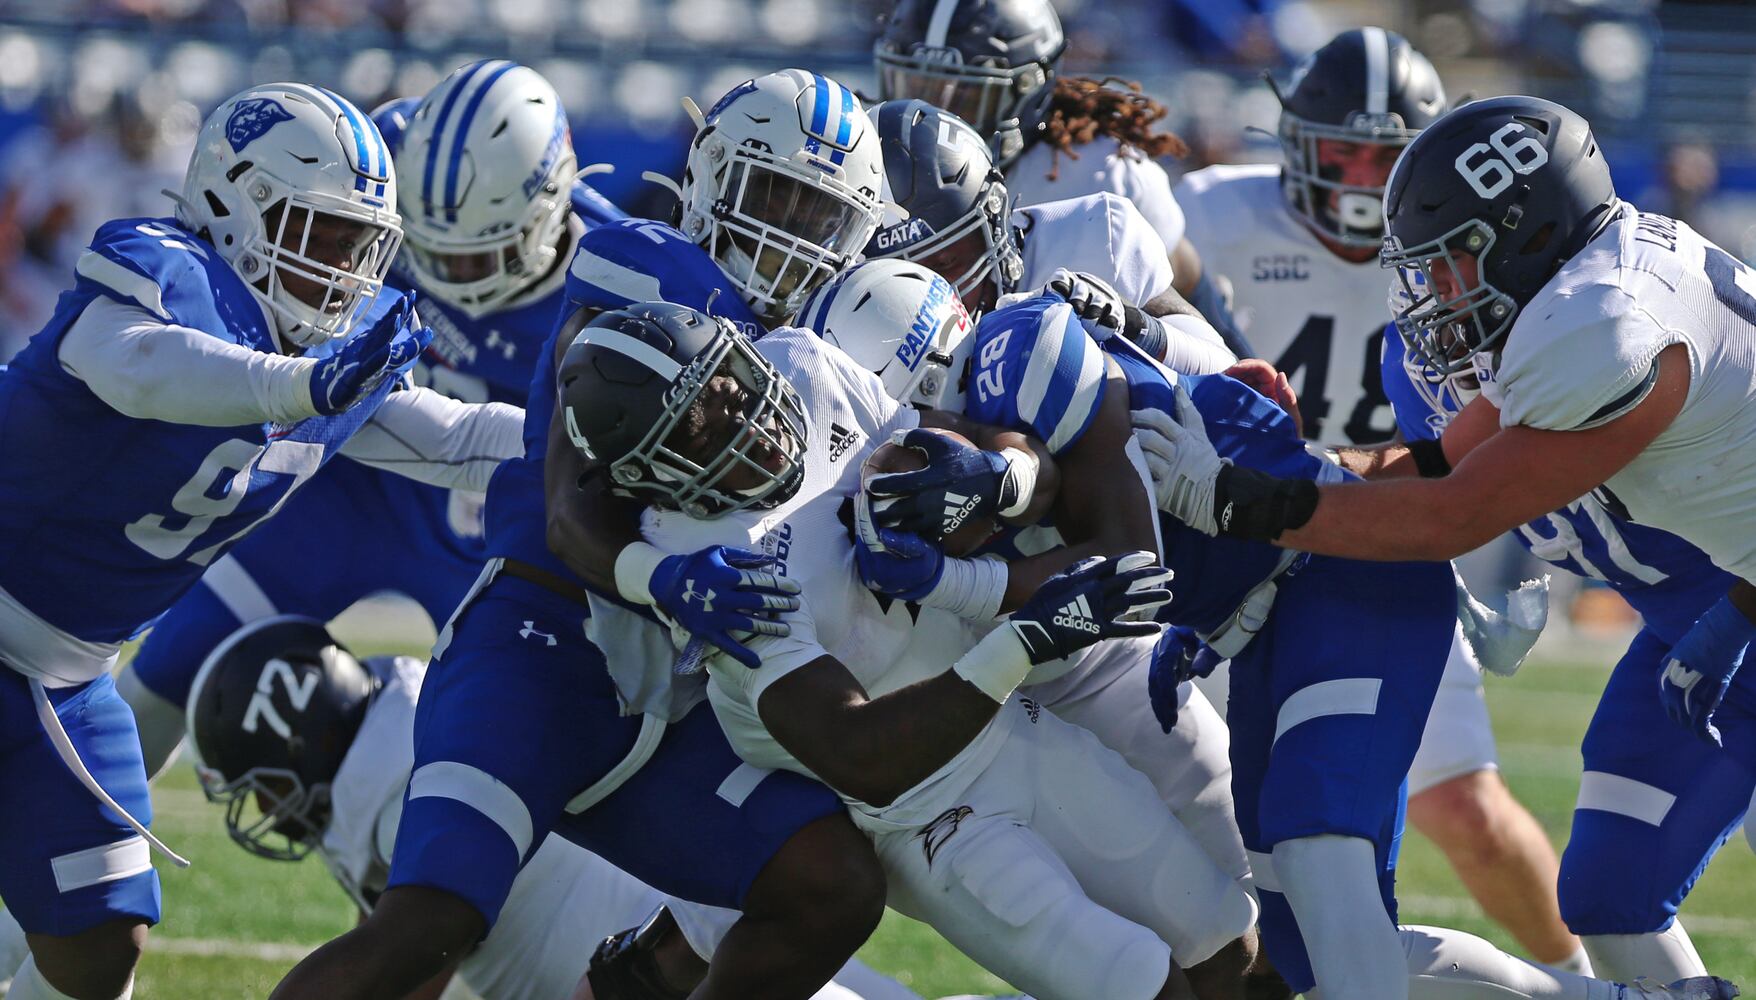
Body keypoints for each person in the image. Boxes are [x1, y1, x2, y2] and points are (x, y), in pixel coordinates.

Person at [838, 275, 1738, 1000]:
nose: (924, 439)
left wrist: (967, 569)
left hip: (1337, 568)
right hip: (1260, 618)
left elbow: (1130, 561)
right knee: (1310, 948)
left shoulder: (1021, 354)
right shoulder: (912, 453)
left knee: (1320, 855)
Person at [271, 70, 894, 1000]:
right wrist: (663, 577)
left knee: (830, 886)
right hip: (542, 649)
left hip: (672, 696)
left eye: (817, 210)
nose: (789, 228)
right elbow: (569, 514)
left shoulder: (829, 334)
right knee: (431, 923)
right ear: (716, 177)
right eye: (773, 192)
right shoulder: (643, 267)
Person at [558, 300, 1260, 1000]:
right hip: (927, 817)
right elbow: (859, 753)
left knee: (1230, 949)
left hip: (1017, 732)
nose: (746, 420)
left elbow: (1015, 457)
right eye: (697, 430)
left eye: (728, 385)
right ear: (650, 474)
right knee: (1143, 987)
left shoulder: (803, 366)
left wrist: (994, 480)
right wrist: (1025, 638)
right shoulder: (706, 563)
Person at [0, 82, 526, 1000]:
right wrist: (300, 387)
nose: (341, 270)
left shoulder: (324, 360)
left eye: (359, 247)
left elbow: (454, 438)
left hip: (66, 668)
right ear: (230, 203)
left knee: (100, 937)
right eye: (317, 234)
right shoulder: (165, 272)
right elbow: (137, 368)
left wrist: (597, 444)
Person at [1148, 94, 1756, 813]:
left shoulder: (1604, 323)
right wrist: (1278, 464)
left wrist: (1229, 506)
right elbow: (1435, 461)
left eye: (1450, 259)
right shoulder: (1592, 280)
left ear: (1528, 236)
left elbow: (1449, 518)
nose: (1432, 288)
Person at [1176, 29, 1581, 970]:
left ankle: (1578, 976)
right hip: (1237, 546)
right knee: (1224, 819)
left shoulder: (1470, 249)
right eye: (1344, 154)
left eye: (1387, 159)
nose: (1363, 181)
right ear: (1294, 143)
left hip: (1383, 539)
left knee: (1464, 806)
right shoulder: (1209, 217)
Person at [116, 60, 629, 783]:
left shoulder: (616, 280)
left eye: (481, 251)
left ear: (551, 205)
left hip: (487, 541)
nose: (453, 276)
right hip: (343, 488)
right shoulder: (378, 158)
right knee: (161, 677)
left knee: (496, 766)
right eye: (423, 243)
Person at [184, 615, 920, 1000]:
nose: (272, 814)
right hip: (692, 946)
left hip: (668, 973)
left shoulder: (387, 798)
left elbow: (399, 970)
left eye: (264, 791)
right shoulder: (418, 735)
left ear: (295, 742)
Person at [1379, 316, 1755, 984]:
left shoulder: (1613, 332)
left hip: (1735, 615)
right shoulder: (1415, 363)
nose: (1444, 299)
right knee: (1609, 897)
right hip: (1681, 640)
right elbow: (1434, 495)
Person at [873, 0, 1247, 351]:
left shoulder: (1103, 173)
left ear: (1031, 90)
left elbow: (1188, 287)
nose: (940, 117)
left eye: (967, 97)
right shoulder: (872, 161)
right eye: (919, 89)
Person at [860, 98, 1235, 376]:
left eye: (944, 263)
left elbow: (1222, 369)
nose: (933, 292)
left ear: (993, 224)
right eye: (897, 276)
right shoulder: (843, 320)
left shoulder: (1091, 238)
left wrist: (1134, 328)